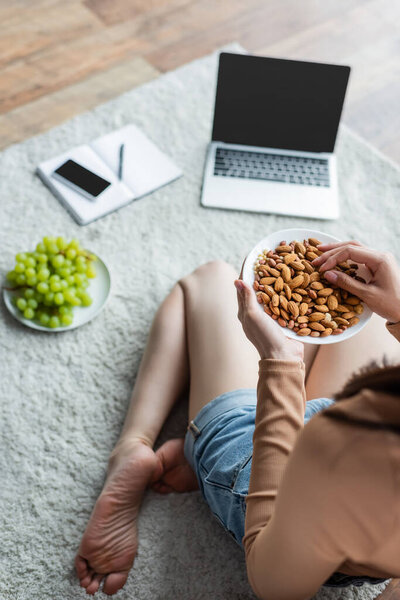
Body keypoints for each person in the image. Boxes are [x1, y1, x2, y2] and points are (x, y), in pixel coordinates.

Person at [75, 240, 400, 598]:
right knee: (359, 314)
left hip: (276, 494)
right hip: (350, 455)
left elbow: (276, 584)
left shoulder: (340, 475)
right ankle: (198, 452)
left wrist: (282, 362)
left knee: (208, 280)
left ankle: (135, 447)